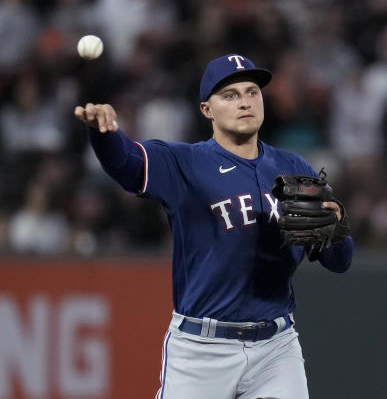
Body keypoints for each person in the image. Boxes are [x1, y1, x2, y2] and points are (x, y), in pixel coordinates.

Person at [74, 54, 354, 399]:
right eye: (231, 95)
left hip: (276, 347)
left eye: (252, 92)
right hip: (201, 349)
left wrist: (336, 232)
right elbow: (127, 163)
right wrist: (103, 134)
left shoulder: (293, 167)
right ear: (207, 110)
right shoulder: (185, 163)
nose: (245, 102)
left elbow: (339, 262)